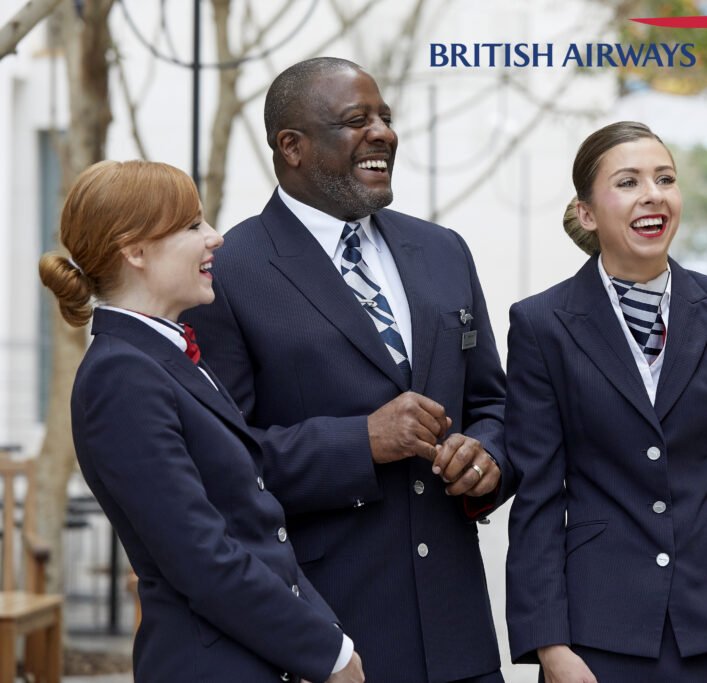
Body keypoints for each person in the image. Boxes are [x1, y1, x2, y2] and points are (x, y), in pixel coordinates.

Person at [183, 57, 511, 683]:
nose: (382, 132)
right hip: (330, 641)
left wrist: (490, 456)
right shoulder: (227, 273)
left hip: (459, 638)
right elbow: (221, 466)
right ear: (292, 147)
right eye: (356, 120)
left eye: (385, 117)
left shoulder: (444, 250)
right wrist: (361, 443)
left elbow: (493, 403)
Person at [39, 160, 364, 683]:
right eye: (192, 226)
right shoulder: (121, 375)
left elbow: (255, 526)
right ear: (135, 250)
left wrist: (328, 637)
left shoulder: (167, 356)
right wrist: (326, 652)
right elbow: (200, 555)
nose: (214, 238)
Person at [504, 121, 707, 682]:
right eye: (628, 182)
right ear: (586, 213)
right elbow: (537, 497)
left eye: (665, 179)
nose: (653, 194)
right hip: (598, 631)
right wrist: (550, 644)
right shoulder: (540, 324)